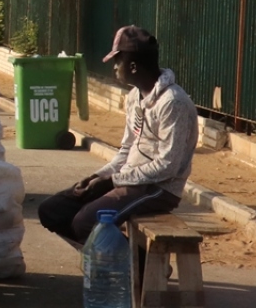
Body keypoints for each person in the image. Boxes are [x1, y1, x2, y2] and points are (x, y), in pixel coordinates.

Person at [39, 26, 197, 245]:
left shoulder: (172, 102)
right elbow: (126, 150)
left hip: (159, 188)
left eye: (117, 62)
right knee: (52, 210)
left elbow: (167, 166)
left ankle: (136, 270)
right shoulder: (134, 97)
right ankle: (124, 261)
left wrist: (112, 181)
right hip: (130, 179)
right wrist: (97, 177)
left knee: (86, 222)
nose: (114, 68)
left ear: (132, 66)